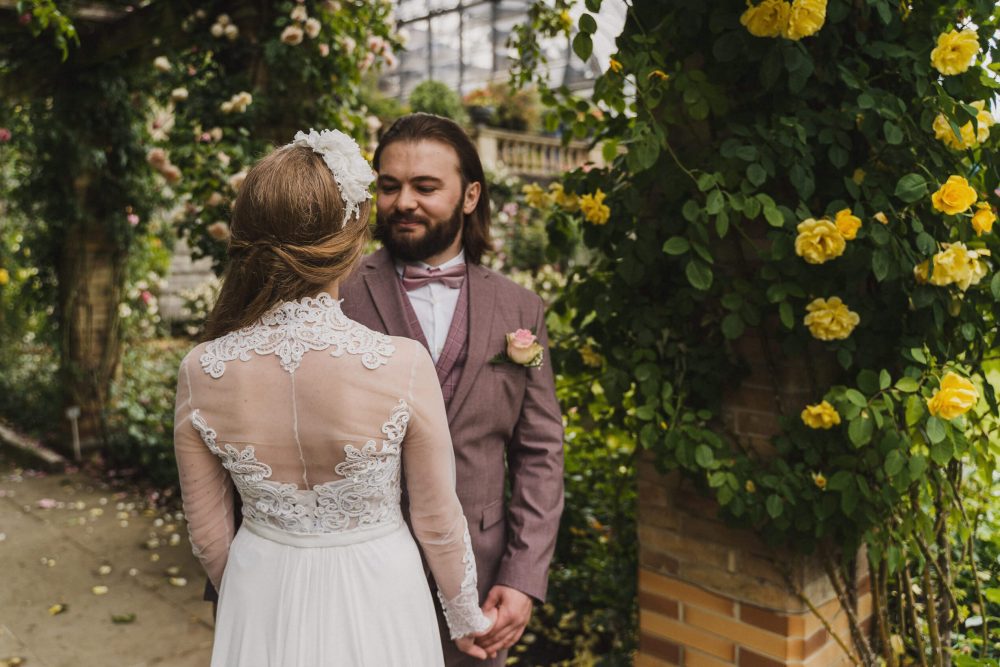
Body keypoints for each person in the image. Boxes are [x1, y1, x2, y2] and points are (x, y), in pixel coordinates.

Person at [174, 129, 494, 666]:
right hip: (380, 592)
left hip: (259, 588)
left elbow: (207, 535)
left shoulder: (202, 369)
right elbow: (438, 522)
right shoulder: (403, 364)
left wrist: (256, 596)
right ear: (351, 241)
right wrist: (466, 619)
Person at [339, 113, 565, 665]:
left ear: (470, 196)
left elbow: (539, 451)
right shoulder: (337, 294)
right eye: (389, 186)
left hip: (481, 577)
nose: (403, 202)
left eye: (425, 186)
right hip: (357, 571)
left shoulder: (519, 308)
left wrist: (523, 574)